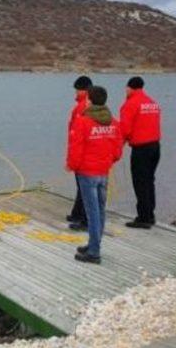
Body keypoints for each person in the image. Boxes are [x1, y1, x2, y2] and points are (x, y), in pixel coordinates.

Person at [66, 85, 123, 264]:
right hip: (103, 171)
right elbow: (117, 149)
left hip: (87, 172)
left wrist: (71, 165)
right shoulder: (113, 122)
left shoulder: (83, 121)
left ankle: (94, 252)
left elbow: (76, 147)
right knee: (99, 209)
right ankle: (93, 243)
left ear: (89, 100)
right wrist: (108, 161)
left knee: (92, 212)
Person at [119, 76, 161, 228]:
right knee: (150, 180)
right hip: (155, 147)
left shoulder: (130, 104)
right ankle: (150, 214)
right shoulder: (152, 103)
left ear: (130, 88)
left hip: (141, 149)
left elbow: (125, 130)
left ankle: (143, 217)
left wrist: (117, 149)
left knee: (140, 182)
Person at [67, 75, 93, 231]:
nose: (75, 93)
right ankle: (77, 213)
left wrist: (72, 160)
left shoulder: (83, 107)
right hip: (83, 154)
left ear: (82, 91)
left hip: (83, 155)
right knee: (81, 186)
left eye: (77, 90)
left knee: (84, 187)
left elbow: (78, 136)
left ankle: (84, 218)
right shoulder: (84, 106)